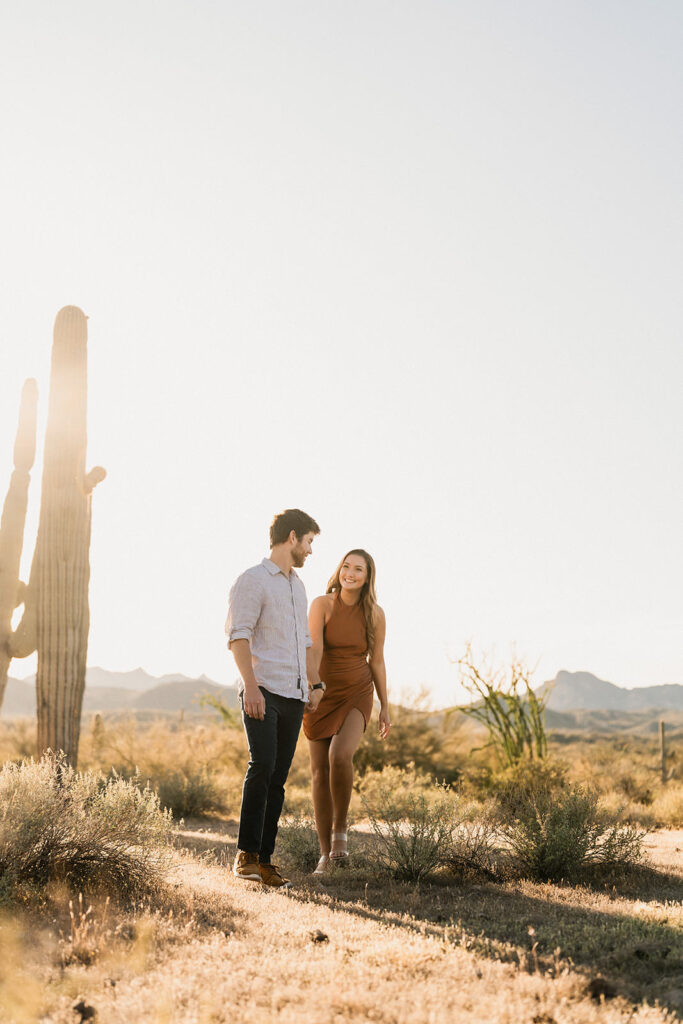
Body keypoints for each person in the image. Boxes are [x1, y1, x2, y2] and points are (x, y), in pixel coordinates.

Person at [225, 508, 324, 889]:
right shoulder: (252, 580)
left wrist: (313, 687)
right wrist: (250, 687)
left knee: (278, 780)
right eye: (309, 542)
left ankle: (264, 860)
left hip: (294, 695)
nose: (310, 551)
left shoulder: (298, 587)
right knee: (262, 766)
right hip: (262, 688)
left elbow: (305, 643)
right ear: (293, 537)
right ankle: (245, 855)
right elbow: (239, 636)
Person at [303, 548, 390, 874]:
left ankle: (341, 831)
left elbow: (377, 661)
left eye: (358, 570)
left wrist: (385, 706)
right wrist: (315, 688)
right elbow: (315, 648)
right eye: (346, 567)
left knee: (340, 756)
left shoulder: (375, 614)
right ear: (339, 569)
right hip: (322, 692)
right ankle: (324, 854)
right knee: (318, 773)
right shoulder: (322, 604)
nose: (350, 573)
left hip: (357, 692)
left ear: (368, 577)